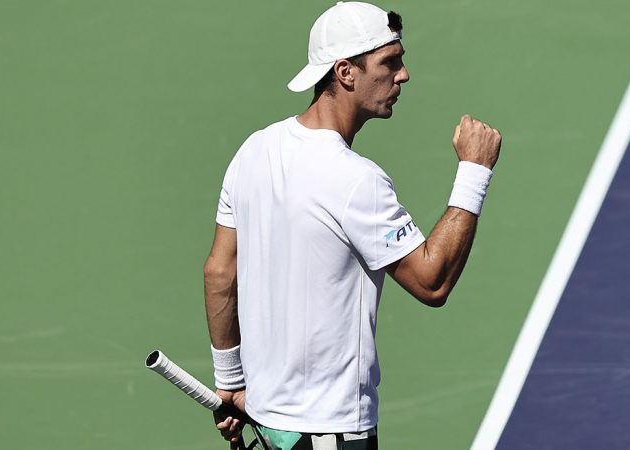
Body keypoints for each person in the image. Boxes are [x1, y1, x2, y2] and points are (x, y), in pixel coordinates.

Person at [203, 2, 502, 449]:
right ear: (345, 72)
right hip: (332, 432)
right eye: (390, 62)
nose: (403, 75)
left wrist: (229, 381)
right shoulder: (356, 179)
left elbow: (220, 273)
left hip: (269, 423)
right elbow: (432, 282)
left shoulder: (254, 150)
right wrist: (474, 173)